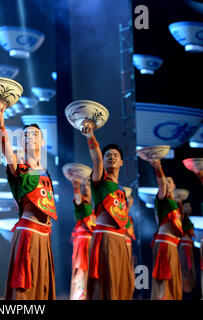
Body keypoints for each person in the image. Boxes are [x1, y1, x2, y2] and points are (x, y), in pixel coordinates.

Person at [0, 104, 57, 300]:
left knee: (42, 287)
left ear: (43, 142)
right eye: (26, 134)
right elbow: (5, 150)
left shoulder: (46, 172)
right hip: (28, 232)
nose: (30, 136)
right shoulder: (19, 167)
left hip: (44, 236)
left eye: (35, 134)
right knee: (25, 292)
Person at [80, 120, 134, 300]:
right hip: (106, 238)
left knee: (122, 284)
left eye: (115, 155)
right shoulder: (99, 181)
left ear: (121, 163)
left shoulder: (120, 190)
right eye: (108, 155)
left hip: (120, 240)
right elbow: (95, 157)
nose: (112, 157)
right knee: (107, 286)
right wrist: (91, 136)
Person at [149, 159, 183, 300]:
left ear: (174, 185)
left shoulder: (174, 204)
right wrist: (158, 168)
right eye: (164, 181)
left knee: (173, 280)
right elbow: (162, 184)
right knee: (164, 279)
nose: (166, 183)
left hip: (172, 246)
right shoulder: (162, 199)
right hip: (165, 244)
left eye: (169, 182)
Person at [69, 178, 95, 300]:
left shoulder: (93, 208)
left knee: (91, 271)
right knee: (81, 270)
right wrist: (76, 188)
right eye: (83, 186)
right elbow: (78, 199)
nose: (86, 188)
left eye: (88, 185)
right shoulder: (81, 202)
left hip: (92, 242)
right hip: (82, 241)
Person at [177, 201, 196, 296]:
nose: (189, 208)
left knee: (190, 268)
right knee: (185, 267)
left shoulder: (188, 219)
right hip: (184, 245)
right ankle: (185, 291)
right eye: (186, 206)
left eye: (190, 206)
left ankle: (190, 289)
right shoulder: (182, 218)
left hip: (189, 245)